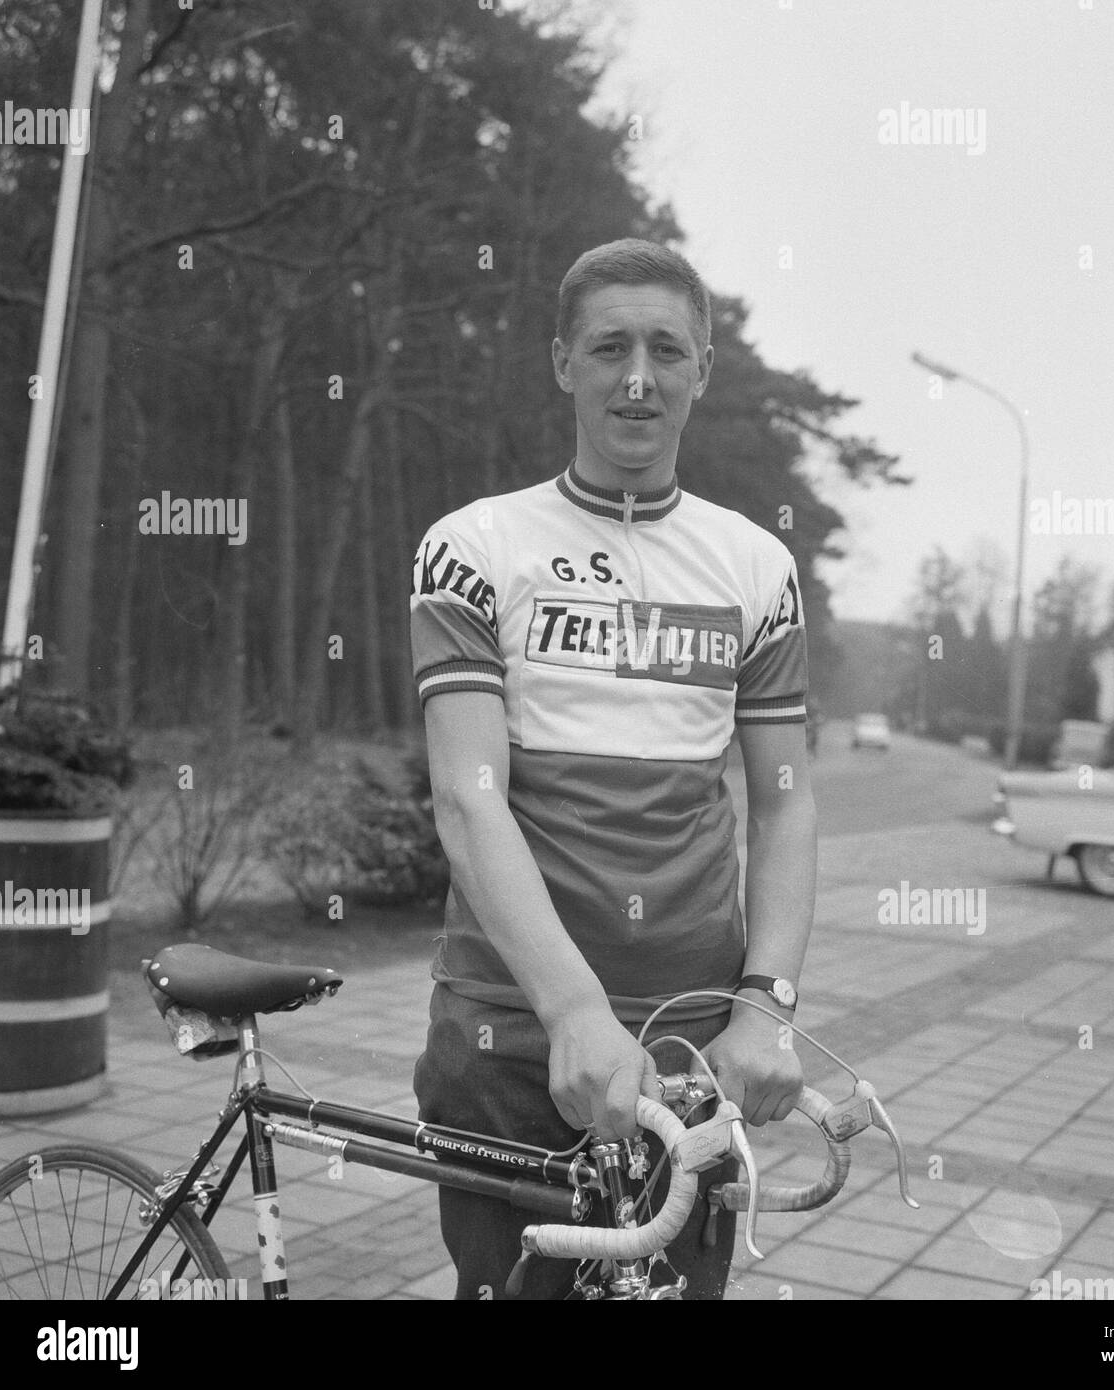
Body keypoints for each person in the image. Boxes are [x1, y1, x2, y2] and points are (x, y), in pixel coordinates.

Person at [409, 238, 817, 1300]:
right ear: (562, 363)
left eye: (666, 350)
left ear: (702, 370)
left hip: (690, 1050)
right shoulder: (472, 546)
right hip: (511, 1036)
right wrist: (573, 1011)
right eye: (609, 348)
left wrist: (767, 1007)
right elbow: (468, 795)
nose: (638, 377)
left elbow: (785, 801)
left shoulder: (757, 569)